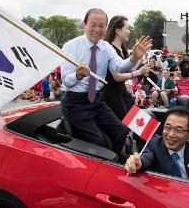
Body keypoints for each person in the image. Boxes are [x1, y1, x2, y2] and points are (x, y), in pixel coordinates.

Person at [60, 8, 152, 155]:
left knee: (121, 132)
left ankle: (112, 162)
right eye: (93, 24)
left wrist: (134, 58)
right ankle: (101, 166)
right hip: (76, 103)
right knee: (99, 142)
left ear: (107, 27)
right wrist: (78, 75)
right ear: (84, 25)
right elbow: (65, 81)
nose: (97, 29)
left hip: (98, 100)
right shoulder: (71, 46)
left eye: (102, 25)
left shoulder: (106, 47)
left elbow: (119, 66)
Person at [102, 15, 150, 120]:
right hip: (113, 96)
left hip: (122, 94)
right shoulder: (109, 49)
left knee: (143, 127)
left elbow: (131, 69)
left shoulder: (123, 49)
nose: (129, 31)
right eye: (127, 28)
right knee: (134, 126)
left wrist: (140, 56)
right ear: (118, 30)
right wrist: (139, 72)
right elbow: (117, 76)